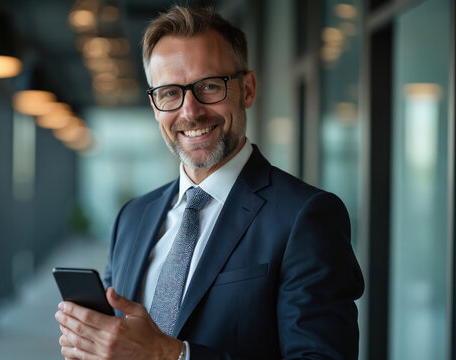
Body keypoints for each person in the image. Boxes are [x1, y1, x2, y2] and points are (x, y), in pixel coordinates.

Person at [55, 5, 364, 360]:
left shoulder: (305, 217)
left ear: (247, 90)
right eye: (170, 93)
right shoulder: (132, 217)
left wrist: (172, 355)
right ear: (156, 107)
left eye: (209, 86)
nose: (190, 111)